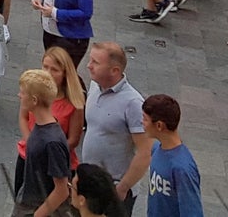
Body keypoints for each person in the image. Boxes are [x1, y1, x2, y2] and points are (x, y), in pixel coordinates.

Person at [83, 43, 152, 212]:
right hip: (89, 183)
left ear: (114, 70)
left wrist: (122, 188)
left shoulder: (133, 103)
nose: (88, 65)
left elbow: (145, 152)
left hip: (112, 188)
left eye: (95, 62)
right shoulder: (94, 86)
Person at [14, 66, 75, 217]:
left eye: (22, 92)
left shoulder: (52, 142)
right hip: (28, 202)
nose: (19, 96)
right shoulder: (41, 127)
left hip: (38, 208)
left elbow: (61, 190)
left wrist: (37, 215)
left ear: (34, 100)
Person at [140, 94, 203, 217]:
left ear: (159, 125)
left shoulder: (182, 168)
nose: (142, 123)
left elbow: (192, 211)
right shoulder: (156, 148)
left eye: (145, 119)